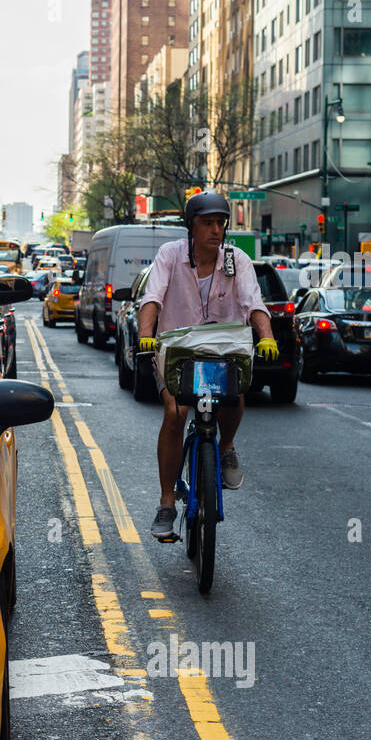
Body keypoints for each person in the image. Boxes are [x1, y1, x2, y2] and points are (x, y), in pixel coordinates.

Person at [135, 191, 280, 541]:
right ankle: (167, 503)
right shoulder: (170, 255)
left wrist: (267, 336)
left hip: (223, 349)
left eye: (221, 223)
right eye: (208, 223)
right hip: (178, 349)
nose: (216, 230)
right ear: (191, 226)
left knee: (235, 396)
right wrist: (145, 335)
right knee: (175, 412)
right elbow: (152, 297)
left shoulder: (236, 259)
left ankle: (226, 447)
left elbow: (253, 302)